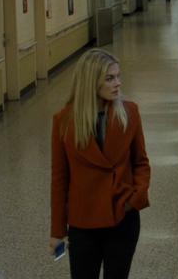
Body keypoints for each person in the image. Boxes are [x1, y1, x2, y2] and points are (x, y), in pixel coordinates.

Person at [49, 49, 151, 279]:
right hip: (83, 222)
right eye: (110, 78)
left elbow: (141, 162)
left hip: (122, 216)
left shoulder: (130, 112)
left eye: (118, 76)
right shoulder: (64, 121)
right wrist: (57, 231)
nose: (118, 83)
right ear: (91, 81)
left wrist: (135, 198)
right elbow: (59, 179)